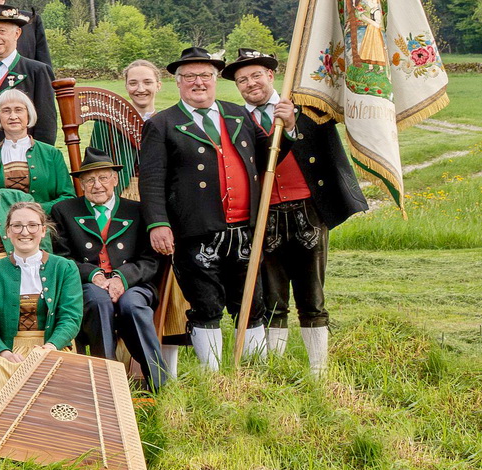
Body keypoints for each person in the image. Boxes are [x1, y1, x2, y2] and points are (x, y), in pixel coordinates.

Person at [224, 48, 367, 373]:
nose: (251, 83)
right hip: (264, 216)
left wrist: (292, 124)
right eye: (243, 80)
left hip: (308, 211)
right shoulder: (234, 121)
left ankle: (319, 372)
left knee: (312, 297)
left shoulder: (308, 109)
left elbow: (328, 146)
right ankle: (276, 368)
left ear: (271, 75)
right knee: (272, 299)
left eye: (256, 75)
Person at [139, 46, 268, 374]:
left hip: (244, 227)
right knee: (206, 304)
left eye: (206, 75)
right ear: (178, 83)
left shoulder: (238, 114)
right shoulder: (162, 123)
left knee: (251, 302)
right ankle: (213, 378)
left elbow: (268, 155)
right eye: (190, 77)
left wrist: (289, 128)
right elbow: (151, 180)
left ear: (216, 79)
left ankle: (255, 374)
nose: (199, 82)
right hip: (195, 229)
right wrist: (157, 223)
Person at [48, 155, 165, 389]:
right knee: (98, 301)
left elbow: (150, 260)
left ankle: (159, 382)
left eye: (103, 178)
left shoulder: (137, 210)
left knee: (132, 306)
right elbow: (62, 258)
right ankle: (107, 383)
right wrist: (93, 274)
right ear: (81, 184)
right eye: (89, 180)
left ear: (115, 180)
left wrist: (122, 278)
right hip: (87, 284)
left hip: (133, 284)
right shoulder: (63, 211)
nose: (97, 185)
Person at [0, 200, 84, 415]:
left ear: (43, 230)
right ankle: (3, 427)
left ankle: (40, 427)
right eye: (17, 226)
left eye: (32, 225)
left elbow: (71, 317)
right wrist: (4, 352)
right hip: (9, 353)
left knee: (59, 371)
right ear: (8, 232)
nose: (25, 232)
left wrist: (50, 347)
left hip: (52, 348)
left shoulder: (65, 268)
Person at [0, 5, 58, 147]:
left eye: (2, 31)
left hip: (21, 152)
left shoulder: (37, 71)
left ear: (17, 34)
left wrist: (39, 154)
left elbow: (46, 122)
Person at [0, 89, 74, 205]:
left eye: (18, 110)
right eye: (6, 111)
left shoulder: (52, 154)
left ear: (28, 114)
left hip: (44, 216)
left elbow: (68, 196)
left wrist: (38, 210)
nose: (13, 116)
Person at [94, 58, 164, 197]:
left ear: (158, 85)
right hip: (119, 195)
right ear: (126, 86)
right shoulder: (106, 123)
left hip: (160, 194)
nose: (140, 89)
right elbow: (94, 166)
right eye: (133, 83)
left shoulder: (167, 122)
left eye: (147, 82)